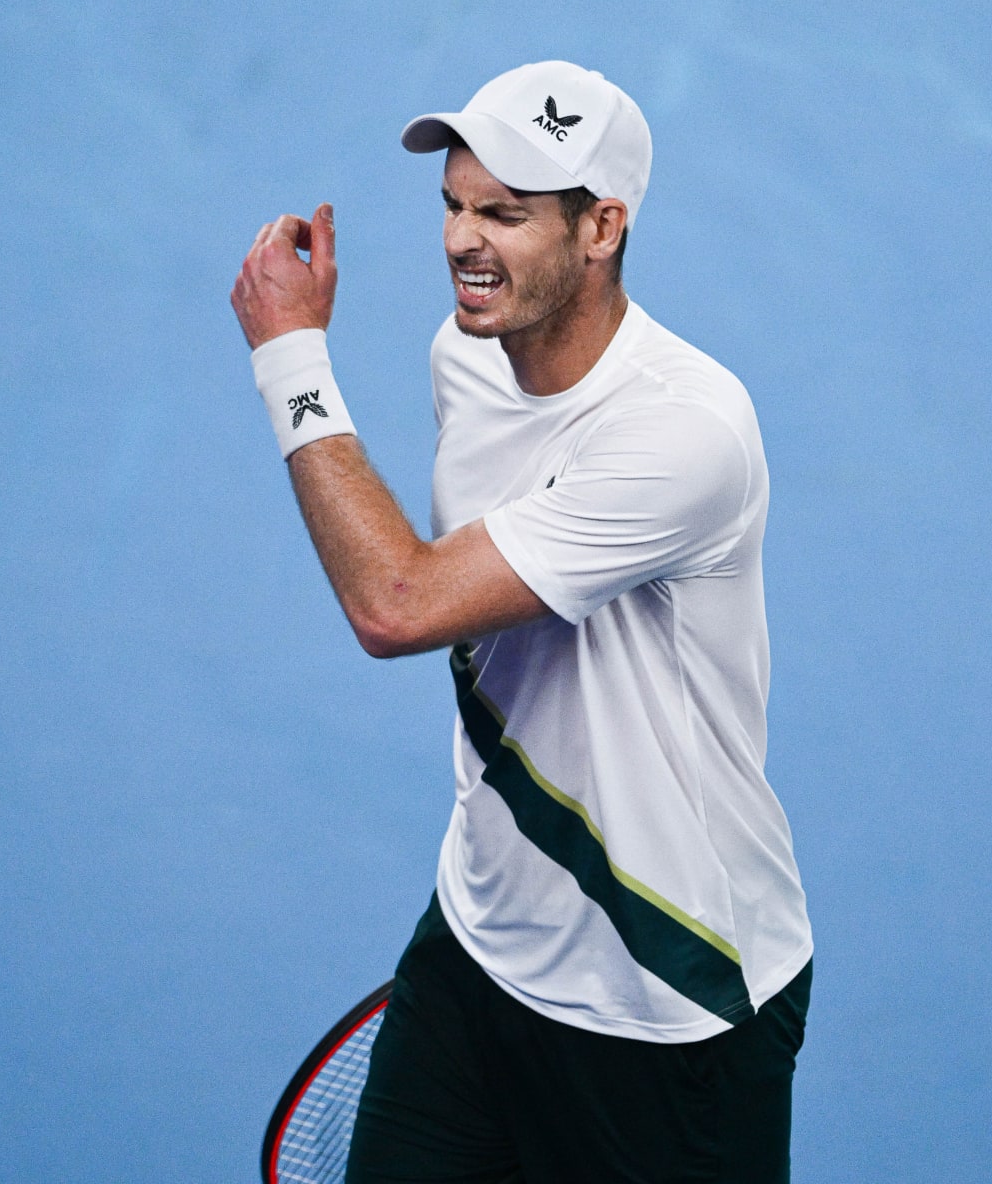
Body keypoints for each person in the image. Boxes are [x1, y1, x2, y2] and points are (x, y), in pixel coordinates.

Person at [230, 60, 813, 1184]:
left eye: (504, 213)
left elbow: (398, 603)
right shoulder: (471, 357)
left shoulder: (684, 434)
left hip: (669, 999)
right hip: (479, 949)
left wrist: (291, 359)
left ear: (602, 228)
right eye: (452, 204)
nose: (461, 240)